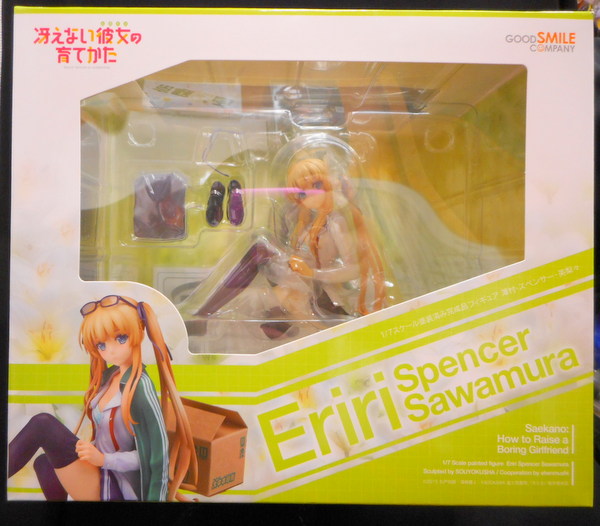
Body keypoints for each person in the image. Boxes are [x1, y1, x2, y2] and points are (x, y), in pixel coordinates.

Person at [8, 295, 196, 501]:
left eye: (121, 338)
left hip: (116, 484)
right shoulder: (110, 376)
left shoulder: (140, 387)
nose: (110, 350)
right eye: (101, 345)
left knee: (42, 424)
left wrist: (103, 459)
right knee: (44, 463)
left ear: (138, 333)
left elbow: (153, 457)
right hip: (99, 467)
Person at [184, 157, 386, 339]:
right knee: (259, 248)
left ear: (330, 184)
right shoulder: (308, 222)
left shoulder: (336, 222)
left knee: (260, 250)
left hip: (314, 288)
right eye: (302, 193)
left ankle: (206, 315)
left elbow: (355, 269)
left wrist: (313, 273)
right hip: (299, 281)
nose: (310, 194)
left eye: (316, 184)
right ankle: (279, 321)